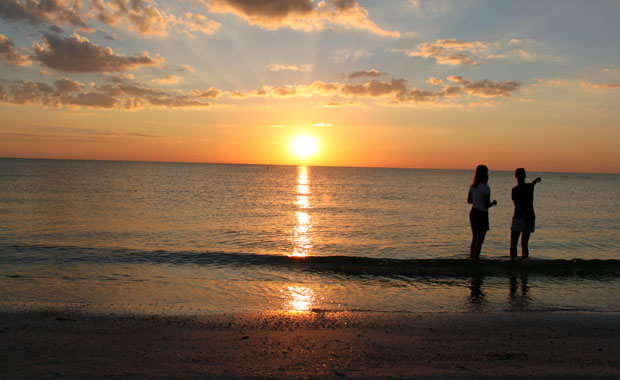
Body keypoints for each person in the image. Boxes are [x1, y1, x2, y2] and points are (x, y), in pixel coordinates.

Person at [467, 165, 497, 259]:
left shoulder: (472, 186)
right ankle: (475, 259)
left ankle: (472, 258)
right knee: (480, 241)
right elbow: (486, 204)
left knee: (474, 239)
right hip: (482, 213)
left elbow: (469, 200)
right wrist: (493, 203)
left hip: (474, 212)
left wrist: (477, 199)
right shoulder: (485, 188)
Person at [510, 168, 541, 259]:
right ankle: (524, 264)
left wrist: (524, 216)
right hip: (530, 217)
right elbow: (533, 183)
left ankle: (513, 262)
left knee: (514, 243)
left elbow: (517, 205)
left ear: (515, 176)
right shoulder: (529, 187)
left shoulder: (515, 190)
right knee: (524, 244)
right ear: (525, 176)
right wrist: (536, 179)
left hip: (519, 217)